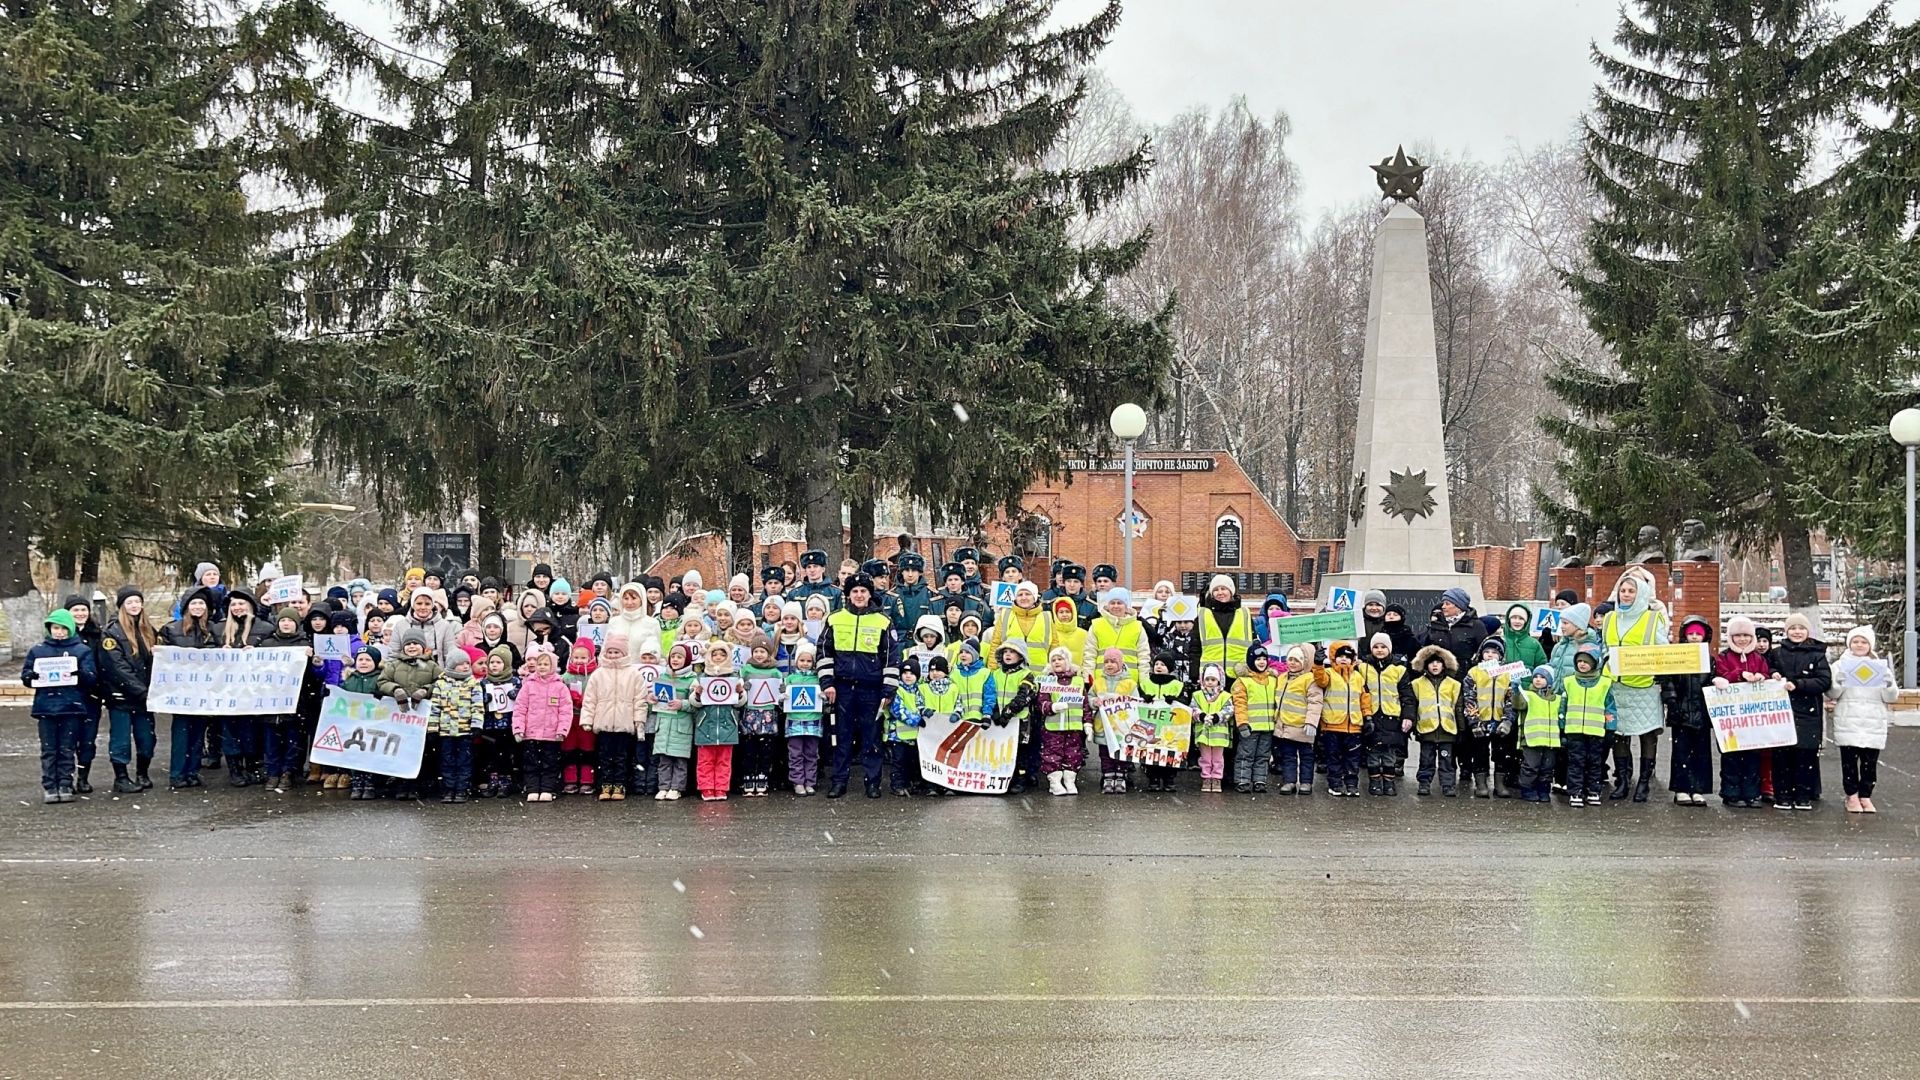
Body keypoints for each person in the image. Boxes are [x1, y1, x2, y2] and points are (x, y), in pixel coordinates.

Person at [1601, 567, 1669, 801]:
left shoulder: (1653, 618)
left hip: (1644, 686)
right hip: (1616, 686)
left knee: (1647, 735)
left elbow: (1663, 649)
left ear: (1641, 593)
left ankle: (1643, 783)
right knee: (1620, 735)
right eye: (1623, 590)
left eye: (1631, 591)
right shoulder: (1610, 618)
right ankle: (1623, 780)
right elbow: (1603, 648)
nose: (1626, 595)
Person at [24, 608, 98, 804]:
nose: (59, 632)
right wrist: (30, 677)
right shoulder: (38, 650)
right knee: (49, 749)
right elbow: (27, 676)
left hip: (71, 706)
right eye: (56, 628)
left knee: (67, 748)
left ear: (70, 629)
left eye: (64, 629)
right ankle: (50, 785)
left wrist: (80, 674)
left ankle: (65, 783)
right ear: (50, 629)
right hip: (46, 707)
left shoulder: (81, 651)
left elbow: (91, 679)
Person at [1829, 625, 1896, 814]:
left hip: (1873, 721)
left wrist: (1889, 684)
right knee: (1849, 762)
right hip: (1849, 720)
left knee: (1870, 763)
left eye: (1864, 642)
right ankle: (1851, 795)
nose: (1859, 645)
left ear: (1870, 645)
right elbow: (1832, 694)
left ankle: (1865, 795)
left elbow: (1891, 697)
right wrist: (1839, 682)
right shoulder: (1840, 666)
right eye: (1855, 641)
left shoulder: (1879, 666)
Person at [100, 585, 158, 793]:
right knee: (121, 740)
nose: (134, 606)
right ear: (122, 606)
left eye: (137, 601)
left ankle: (142, 773)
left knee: (147, 739)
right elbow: (117, 667)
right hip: (122, 697)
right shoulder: (111, 632)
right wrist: (141, 690)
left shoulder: (148, 630)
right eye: (129, 602)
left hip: (145, 697)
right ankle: (121, 777)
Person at [1771, 613, 1831, 812]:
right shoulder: (1778, 653)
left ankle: (1803, 795)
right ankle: (1783, 795)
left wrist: (1798, 684)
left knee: (1805, 756)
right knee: (1782, 756)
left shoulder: (1817, 654)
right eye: (1793, 628)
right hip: (1781, 712)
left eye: (1801, 628)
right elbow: (1769, 669)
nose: (1797, 632)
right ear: (1787, 631)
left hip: (1808, 713)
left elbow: (1824, 681)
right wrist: (1773, 674)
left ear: (1808, 631)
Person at [1712, 616, 1773, 808]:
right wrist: (1739, 675)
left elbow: (1767, 675)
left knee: (1752, 757)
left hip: (1752, 718)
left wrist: (1762, 677)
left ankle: (1751, 793)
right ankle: (1731, 793)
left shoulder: (1759, 658)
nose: (1742, 639)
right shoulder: (1723, 657)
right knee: (1732, 757)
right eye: (1737, 635)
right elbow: (1720, 675)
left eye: (1746, 635)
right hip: (1731, 719)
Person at [1402, 644, 1474, 798]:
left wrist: (1461, 729)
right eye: (1431, 662)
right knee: (1426, 760)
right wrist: (1414, 726)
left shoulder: (1454, 684)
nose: (1435, 665)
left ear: (1444, 664)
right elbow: (1413, 705)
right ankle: (1424, 783)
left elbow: (1458, 707)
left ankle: (1448, 785)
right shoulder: (1417, 684)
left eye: (1438, 662)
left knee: (1446, 761)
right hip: (1426, 729)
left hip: (1447, 729)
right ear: (1425, 665)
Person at [216, 589, 270, 788]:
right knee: (230, 731)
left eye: (242, 603)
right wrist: (219, 653)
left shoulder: (264, 628)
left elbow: (275, 655)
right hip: (228, 691)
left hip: (253, 691)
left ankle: (253, 766)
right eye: (234, 604)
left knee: (252, 730)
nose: (238, 608)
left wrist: (259, 653)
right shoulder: (219, 629)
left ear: (250, 606)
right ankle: (235, 769)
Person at [1660, 616, 1716, 805]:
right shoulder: (1677, 656)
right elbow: (1668, 682)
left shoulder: (1709, 660)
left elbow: (1711, 683)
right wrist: (1672, 702)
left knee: (1701, 753)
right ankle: (1681, 788)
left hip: (1701, 713)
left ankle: (1698, 788)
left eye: (1697, 634)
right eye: (1690, 633)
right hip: (1681, 713)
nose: (1694, 637)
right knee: (1681, 753)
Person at [582, 634, 645, 801]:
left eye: (616, 652)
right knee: (604, 756)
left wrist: (639, 720)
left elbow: (640, 699)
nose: (612, 655)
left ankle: (620, 784)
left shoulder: (633, 674)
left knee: (622, 756)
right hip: (603, 722)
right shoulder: (598, 674)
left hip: (624, 723)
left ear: (624, 653)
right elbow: (590, 699)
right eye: (609, 652)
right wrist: (587, 720)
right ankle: (605, 784)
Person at [512, 642, 571, 802]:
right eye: (540, 664)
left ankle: (547, 788)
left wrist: (562, 730)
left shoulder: (560, 687)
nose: (542, 667)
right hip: (531, 734)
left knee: (549, 763)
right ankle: (532, 788)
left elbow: (565, 711)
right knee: (531, 763)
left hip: (551, 735)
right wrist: (518, 728)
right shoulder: (528, 685)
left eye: (546, 664)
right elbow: (520, 708)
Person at [58, 594, 105, 794]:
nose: (80, 613)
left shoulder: (98, 635)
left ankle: (83, 777)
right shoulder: (59, 636)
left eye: (83, 609)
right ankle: (66, 778)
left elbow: (104, 664)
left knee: (87, 740)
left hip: (91, 697)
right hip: (67, 697)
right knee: (67, 740)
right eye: (75, 610)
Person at [1559, 645, 1617, 807]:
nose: (1582, 664)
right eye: (1579, 661)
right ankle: (1575, 792)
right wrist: (1562, 727)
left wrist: (1610, 728)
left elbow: (1610, 707)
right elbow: (1563, 706)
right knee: (1575, 763)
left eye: (1587, 661)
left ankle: (1593, 791)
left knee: (1594, 763)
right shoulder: (1569, 682)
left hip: (1596, 732)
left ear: (1595, 663)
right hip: (1574, 731)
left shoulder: (1604, 683)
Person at [1461, 637, 1514, 799]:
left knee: (1502, 753)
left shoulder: (1507, 674)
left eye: (1495, 653)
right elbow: (1469, 698)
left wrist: (1507, 720)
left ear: (1501, 656)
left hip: (1499, 720)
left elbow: (1510, 699)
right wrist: (1474, 721)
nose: (1490, 655)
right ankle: (1481, 783)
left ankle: (1500, 783)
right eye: (1487, 652)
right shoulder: (1474, 673)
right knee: (1480, 752)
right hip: (1481, 721)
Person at [430, 649, 484, 803]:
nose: (466, 667)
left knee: (464, 762)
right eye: (461, 664)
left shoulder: (473, 683)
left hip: (464, 731)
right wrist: (433, 729)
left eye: (467, 663)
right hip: (446, 732)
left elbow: (477, 706)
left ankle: (461, 789)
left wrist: (476, 726)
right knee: (447, 762)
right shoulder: (440, 683)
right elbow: (435, 708)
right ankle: (448, 789)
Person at [692, 639, 743, 800]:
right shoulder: (700, 678)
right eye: (715, 654)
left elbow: (740, 703)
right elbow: (694, 703)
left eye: (722, 654)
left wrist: (740, 693)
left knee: (724, 760)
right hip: (706, 725)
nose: (719, 657)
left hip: (727, 724)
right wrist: (698, 694)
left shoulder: (735, 677)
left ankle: (721, 788)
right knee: (705, 759)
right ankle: (706, 787)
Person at [1273, 644, 1325, 795]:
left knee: (1306, 757)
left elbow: (1315, 702)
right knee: (1288, 756)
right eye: (1290, 659)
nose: (1292, 663)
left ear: (1305, 662)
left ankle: (1306, 782)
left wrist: (1311, 722)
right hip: (1286, 725)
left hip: (1303, 726)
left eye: (1297, 660)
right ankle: (1289, 781)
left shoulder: (1310, 679)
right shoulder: (1282, 678)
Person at [1361, 633, 1409, 796]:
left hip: (1391, 715)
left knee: (1389, 752)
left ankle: (1389, 782)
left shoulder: (1399, 669)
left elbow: (1407, 695)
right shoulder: (1363, 667)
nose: (1379, 650)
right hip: (1371, 715)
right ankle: (1374, 781)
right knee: (1373, 751)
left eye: (1383, 647)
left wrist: (1408, 716)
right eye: (1376, 647)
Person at [1319, 643, 1370, 797]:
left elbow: (1364, 699)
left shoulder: (1358, 677)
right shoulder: (1328, 673)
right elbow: (1319, 679)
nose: (1343, 660)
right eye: (1340, 656)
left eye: (1347, 657)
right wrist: (1317, 663)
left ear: (1352, 660)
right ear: (1334, 658)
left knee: (1352, 758)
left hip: (1353, 726)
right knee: (1333, 757)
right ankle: (1335, 784)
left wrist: (1368, 717)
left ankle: (1351, 784)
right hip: (1332, 725)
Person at [1038, 647, 1089, 795]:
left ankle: (1070, 781)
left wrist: (1087, 723)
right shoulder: (1048, 681)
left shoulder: (1078, 681)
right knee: (1052, 754)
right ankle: (1055, 782)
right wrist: (1052, 707)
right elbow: (1041, 703)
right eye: (1053, 660)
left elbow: (1084, 704)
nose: (1056, 662)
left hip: (1073, 728)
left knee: (1073, 755)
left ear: (1067, 661)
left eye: (1060, 659)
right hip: (1053, 728)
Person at [1136, 651, 1187, 793]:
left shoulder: (1178, 685)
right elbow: (1137, 700)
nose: (1159, 666)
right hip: (1150, 726)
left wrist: (1175, 700)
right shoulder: (1146, 684)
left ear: (1169, 668)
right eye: (1156, 664)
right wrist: (1144, 698)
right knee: (1151, 754)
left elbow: (1185, 703)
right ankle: (1153, 779)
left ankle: (1169, 779)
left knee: (1170, 753)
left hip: (1171, 727)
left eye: (1163, 664)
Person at [737, 636, 782, 797]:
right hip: (751, 713)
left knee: (766, 748)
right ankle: (749, 775)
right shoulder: (746, 670)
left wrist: (782, 690)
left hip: (768, 713)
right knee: (749, 748)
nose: (759, 654)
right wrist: (743, 687)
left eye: (763, 651)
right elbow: (738, 687)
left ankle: (763, 775)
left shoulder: (775, 672)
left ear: (769, 653)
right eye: (756, 651)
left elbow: (780, 693)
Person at [1090, 646, 1137, 793]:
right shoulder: (1098, 682)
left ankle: (1121, 776)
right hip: (1103, 726)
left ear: (1121, 664)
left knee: (1121, 753)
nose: (1109, 665)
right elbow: (1090, 697)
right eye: (1106, 662)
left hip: (1121, 728)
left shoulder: (1130, 683)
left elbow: (1135, 702)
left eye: (1113, 662)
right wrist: (1094, 702)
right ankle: (1108, 776)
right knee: (1104, 753)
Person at [477, 644, 521, 798]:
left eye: (498, 662)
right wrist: (484, 699)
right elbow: (477, 700)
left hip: (507, 724)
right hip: (490, 724)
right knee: (491, 753)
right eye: (492, 662)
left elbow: (522, 700)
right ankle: (493, 779)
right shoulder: (484, 682)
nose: (494, 666)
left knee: (506, 753)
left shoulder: (515, 681)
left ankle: (506, 780)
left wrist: (515, 694)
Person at [339, 647, 384, 799]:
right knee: (355, 752)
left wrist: (380, 697)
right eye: (360, 660)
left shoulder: (380, 679)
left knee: (370, 752)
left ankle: (370, 783)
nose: (363, 663)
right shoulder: (349, 679)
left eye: (368, 660)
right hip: (354, 723)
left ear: (376, 662)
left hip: (374, 723)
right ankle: (357, 782)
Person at [782, 643, 824, 795]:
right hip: (795, 722)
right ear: (796, 661)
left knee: (811, 754)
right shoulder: (790, 678)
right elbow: (781, 699)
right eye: (802, 660)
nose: (805, 664)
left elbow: (823, 702)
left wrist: (822, 698)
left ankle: (810, 782)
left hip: (813, 722)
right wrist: (783, 697)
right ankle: (798, 782)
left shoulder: (817, 679)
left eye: (808, 661)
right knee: (795, 754)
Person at [1514, 666, 1560, 803]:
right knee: (1531, 766)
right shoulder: (1528, 695)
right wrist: (1516, 690)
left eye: (1542, 677)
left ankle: (1544, 789)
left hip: (1551, 741)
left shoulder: (1557, 699)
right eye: (1536, 677)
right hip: (1532, 739)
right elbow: (1518, 704)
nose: (1538, 680)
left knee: (1547, 767)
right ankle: (1527, 789)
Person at [1084, 587, 1147, 685]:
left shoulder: (1138, 627)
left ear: (1126, 606)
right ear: (1108, 605)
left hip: (1130, 682)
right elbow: (1089, 655)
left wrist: (1144, 683)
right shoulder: (1096, 625)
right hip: (1101, 681)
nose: (1116, 606)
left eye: (1119, 603)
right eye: (1112, 603)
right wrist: (1088, 680)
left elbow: (1144, 657)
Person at [559, 638, 597, 795]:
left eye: (583, 658)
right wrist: (569, 696)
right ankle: (570, 779)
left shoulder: (594, 676)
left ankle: (587, 779)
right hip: (570, 718)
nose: (579, 661)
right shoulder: (565, 677)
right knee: (569, 749)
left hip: (587, 717)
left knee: (587, 748)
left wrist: (586, 700)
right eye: (576, 657)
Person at [1198, 575, 1253, 678]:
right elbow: (1195, 647)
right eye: (1215, 590)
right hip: (1211, 676)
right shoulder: (1203, 615)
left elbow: (1253, 643)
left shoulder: (1244, 614)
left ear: (1231, 591)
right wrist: (1194, 674)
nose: (1220, 593)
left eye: (1223, 589)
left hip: (1239, 674)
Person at [887, 658, 927, 796]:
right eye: (905, 673)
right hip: (898, 735)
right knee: (899, 762)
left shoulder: (919, 690)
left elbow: (922, 706)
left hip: (914, 735)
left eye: (912, 673)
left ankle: (911, 784)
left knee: (912, 761)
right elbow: (898, 710)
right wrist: (917, 720)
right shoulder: (897, 690)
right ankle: (897, 785)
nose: (908, 676)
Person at [1191, 665, 1233, 793]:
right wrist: (1201, 716)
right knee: (1205, 757)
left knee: (1218, 758)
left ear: (1219, 681)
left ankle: (1216, 778)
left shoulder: (1225, 696)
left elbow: (1229, 710)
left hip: (1219, 734)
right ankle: (1206, 777)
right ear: (1202, 680)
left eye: (1213, 679)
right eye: (1207, 679)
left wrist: (1217, 717)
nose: (1210, 682)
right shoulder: (1197, 695)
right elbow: (1193, 708)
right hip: (1203, 732)